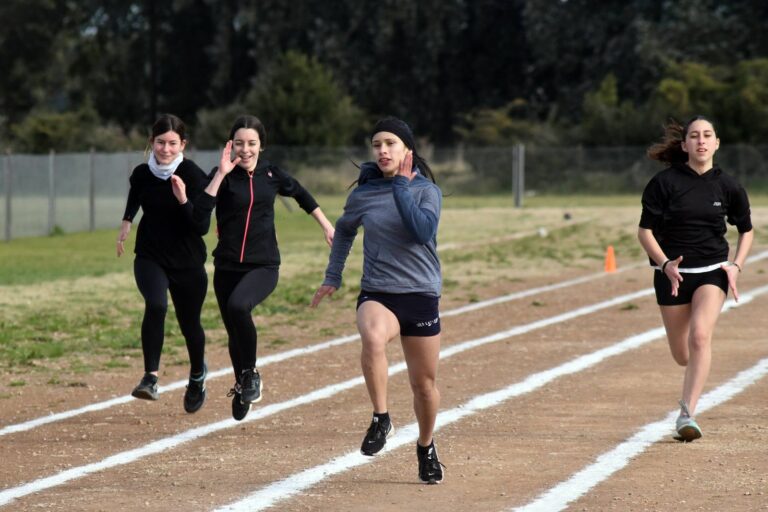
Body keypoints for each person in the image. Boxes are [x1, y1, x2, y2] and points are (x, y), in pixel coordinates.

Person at [311, 117, 445, 484]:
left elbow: (422, 231)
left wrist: (402, 185)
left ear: (407, 151)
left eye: (390, 143)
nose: (382, 151)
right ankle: (381, 418)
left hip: (419, 293)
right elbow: (344, 232)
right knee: (371, 337)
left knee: (424, 386)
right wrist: (332, 276)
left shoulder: (426, 192)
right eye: (376, 145)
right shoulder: (364, 194)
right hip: (379, 290)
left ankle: (425, 445)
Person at [198, 115, 334, 421]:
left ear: (261, 146)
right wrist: (220, 174)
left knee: (238, 306)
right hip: (226, 265)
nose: (245, 150)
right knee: (234, 328)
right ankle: (242, 382)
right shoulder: (222, 175)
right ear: (230, 145)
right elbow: (201, 212)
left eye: (252, 143)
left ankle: (250, 374)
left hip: (264, 265)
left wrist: (326, 225)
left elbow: (300, 193)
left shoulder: (271, 174)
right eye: (239, 143)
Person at [638, 115, 753, 442]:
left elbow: (746, 231)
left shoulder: (728, 185)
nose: (701, 141)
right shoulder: (664, 183)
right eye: (695, 136)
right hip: (672, 275)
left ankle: (687, 413)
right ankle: (691, 376)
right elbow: (644, 232)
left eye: (708, 135)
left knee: (700, 336)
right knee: (683, 354)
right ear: (685, 144)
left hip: (711, 272)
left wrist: (736, 266)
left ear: (716, 143)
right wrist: (664, 265)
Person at [117, 114, 212, 413]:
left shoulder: (193, 175)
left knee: (189, 324)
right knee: (156, 305)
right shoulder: (142, 173)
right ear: (151, 142)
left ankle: (197, 376)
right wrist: (127, 219)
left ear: (183, 144)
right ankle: (150, 378)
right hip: (150, 254)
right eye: (160, 142)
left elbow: (201, 227)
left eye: (172, 143)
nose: (166, 149)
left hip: (187, 260)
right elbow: (137, 192)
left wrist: (183, 198)